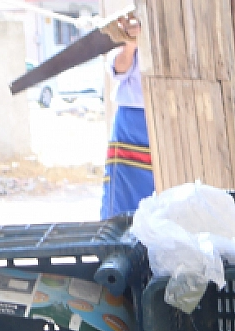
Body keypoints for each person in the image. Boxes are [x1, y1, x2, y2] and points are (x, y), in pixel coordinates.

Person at [99, 13, 152, 220]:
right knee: (124, 192)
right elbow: (119, 69)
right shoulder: (135, 19)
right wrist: (130, 44)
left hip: (171, 119)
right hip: (133, 122)